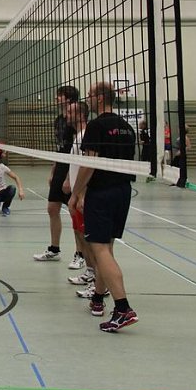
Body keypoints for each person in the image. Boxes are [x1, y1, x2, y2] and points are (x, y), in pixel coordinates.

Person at [69, 82, 138, 332]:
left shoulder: (96, 126)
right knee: (105, 248)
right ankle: (98, 299)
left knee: (99, 249)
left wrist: (77, 194)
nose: (88, 99)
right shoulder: (127, 128)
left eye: (90, 95)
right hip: (123, 191)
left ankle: (122, 308)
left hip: (101, 193)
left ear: (100, 98)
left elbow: (89, 164)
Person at [34, 85, 82, 269]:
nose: (55, 98)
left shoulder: (75, 123)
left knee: (74, 212)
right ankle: (54, 249)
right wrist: (53, 171)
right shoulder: (59, 120)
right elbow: (60, 148)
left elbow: (76, 151)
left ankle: (81, 254)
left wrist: (69, 177)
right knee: (52, 208)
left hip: (73, 168)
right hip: (60, 166)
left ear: (69, 99)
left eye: (59, 96)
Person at [62, 100, 99, 294]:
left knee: (90, 239)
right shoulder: (77, 136)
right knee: (80, 235)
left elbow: (89, 166)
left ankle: (98, 283)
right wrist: (69, 179)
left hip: (83, 196)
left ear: (81, 115)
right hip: (76, 194)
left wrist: (82, 194)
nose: (66, 114)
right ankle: (91, 271)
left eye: (70, 111)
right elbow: (75, 163)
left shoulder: (86, 135)